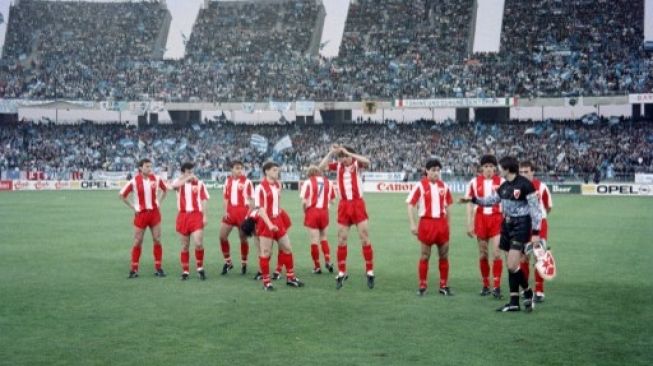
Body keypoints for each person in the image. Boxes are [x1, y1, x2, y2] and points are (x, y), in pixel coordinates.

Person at [460, 156, 542, 312]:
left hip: (521, 226)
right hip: (506, 225)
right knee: (511, 266)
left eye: (499, 167)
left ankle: (528, 292)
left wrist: (536, 233)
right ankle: (514, 302)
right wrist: (473, 200)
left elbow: (536, 210)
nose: (497, 169)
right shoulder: (504, 186)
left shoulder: (525, 185)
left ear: (507, 168)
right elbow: (491, 200)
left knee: (512, 265)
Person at [319, 144, 375, 290]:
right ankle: (342, 272)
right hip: (344, 205)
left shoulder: (357, 164)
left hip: (358, 205)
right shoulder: (337, 166)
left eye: (345, 156)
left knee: (364, 237)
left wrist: (348, 152)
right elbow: (320, 167)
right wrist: (331, 152)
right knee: (342, 239)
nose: (343, 159)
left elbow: (367, 161)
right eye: (341, 157)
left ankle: (369, 271)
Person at [406, 159, 454, 296]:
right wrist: (412, 224)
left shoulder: (444, 186)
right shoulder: (420, 186)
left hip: (441, 223)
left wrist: (448, 225)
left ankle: (443, 285)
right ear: (426, 171)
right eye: (433, 170)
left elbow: (447, 207)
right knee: (425, 255)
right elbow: (410, 205)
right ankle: (422, 285)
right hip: (426, 223)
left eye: (438, 170)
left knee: (444, 255)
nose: (436, 173)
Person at [254, 161, 304, 291]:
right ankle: (266, 283)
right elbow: (261, 209)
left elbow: (277, 204)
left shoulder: (276, 185)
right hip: (266, 222)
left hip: (278, 220)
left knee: (287, 248)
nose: (277, 172)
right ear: (267, 171)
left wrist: (280, 217)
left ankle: (290, 278)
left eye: (278, 170)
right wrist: (270, 224)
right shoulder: (260, 188)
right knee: (266, 253)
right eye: (275, 170)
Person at [119, 158, 168, 278]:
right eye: (147, 166)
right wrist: (134, 207)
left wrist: (159, 202)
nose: (149, 169)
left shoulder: (156, 179)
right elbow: (122, 195)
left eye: (150, 166)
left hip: (154, 213)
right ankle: (134, 269)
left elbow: (165, 190)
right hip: (141, 214)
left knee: (157, 239)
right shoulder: (134, 181)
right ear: (140, 168)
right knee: (137, 241)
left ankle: (158, 268)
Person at [465, 155, 504, 298]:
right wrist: (469, 223)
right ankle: (486, 285)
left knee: (497, 253)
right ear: (481, 168)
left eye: (491, 166)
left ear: (495, 168)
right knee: (483, 254)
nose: (488, 169)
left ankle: (497, 286)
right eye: (486, 166)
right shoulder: (474, 182)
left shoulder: (502, 182)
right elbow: (469, 202)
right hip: (480, 219)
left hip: (497, 219)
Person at [518, 161, 553, 303]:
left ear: (533, 172)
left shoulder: (542, 187)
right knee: (523, 257)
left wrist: (539, 219)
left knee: (539, 256)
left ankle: (539, 290)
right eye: (521, 172)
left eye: (526, 171)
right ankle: (526, 289)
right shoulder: (517, 187)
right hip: (523, 225)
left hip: (539, 225)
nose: (524, 174)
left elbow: (548, 207)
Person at [171, 162, 210, 280]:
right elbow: (174, 186)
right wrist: (186, 178)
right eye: (188, 172)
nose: (191, 174)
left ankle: (200, 268)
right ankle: (185, 271)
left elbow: (204, 200)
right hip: (183, 216)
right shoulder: (178, 183)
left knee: (198, 242)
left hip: (196, 215)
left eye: (192, 172)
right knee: (184, 246)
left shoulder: (199, 183)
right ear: (183, 173)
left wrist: (205, 216)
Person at [219, 161, 254, 275]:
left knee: (242, 238)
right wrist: (225, 211)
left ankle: (244, 263)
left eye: (241, 168)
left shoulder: (247, 182)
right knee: (222, 237)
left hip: (242, 212)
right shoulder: (227, 181)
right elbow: (225, 198)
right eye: (237, 168)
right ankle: (228, 262)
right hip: (230, 212)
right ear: (232, 169)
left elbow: (252, 200)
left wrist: (248, 215)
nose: (240, 170)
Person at [300, 165, 336, 274]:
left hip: (312, 212)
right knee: (324, 237)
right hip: (324, 212)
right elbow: (333, 200)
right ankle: (328, 260)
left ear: (309, 173)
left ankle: (317, 266)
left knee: (314, 240)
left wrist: (304, 211)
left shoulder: (308, 182)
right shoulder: (328, 182)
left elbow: (304, 202)